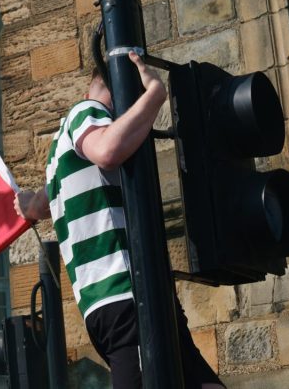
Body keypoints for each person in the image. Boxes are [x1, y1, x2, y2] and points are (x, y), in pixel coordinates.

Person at [15, 52, 225, 389]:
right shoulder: (85, 112)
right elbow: (108, 149)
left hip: (114, 303)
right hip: (125, 293)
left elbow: (38, 205)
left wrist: (27, 203)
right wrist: (155, 96)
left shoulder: (57, 158)